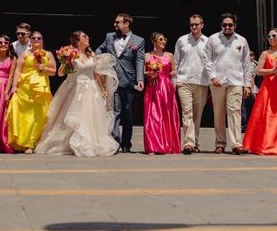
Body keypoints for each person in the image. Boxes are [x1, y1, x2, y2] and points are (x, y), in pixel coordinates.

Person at [36, 30, 119, 156]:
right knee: (72, 116)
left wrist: (102, 89)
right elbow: (60, 73)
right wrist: (66, 60)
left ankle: (87, 143)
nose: (88, 37)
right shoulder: (71, 54)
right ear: (77, 40)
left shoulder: (92, 55)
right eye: (84, 36)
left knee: (89, 116)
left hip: (91, 89)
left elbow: (96, 74)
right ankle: (68, 143)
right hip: (74, 88)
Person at [201, 13, 251, 155]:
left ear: (235, 25)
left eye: (230, 25)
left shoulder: (241, 40)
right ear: (221, 25)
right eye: (224, 25)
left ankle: (236, 144)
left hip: (236, 81)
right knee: (219, 113)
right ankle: (220, 143)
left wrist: (247, 85)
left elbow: (246, 64)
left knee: (235, 113)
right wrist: (212, 77)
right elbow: (206, 60)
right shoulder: (213, 39)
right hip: (218, 82)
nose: (227, 27)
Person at [96, 13, 145, 153]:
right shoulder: (109, 36)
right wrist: (95, 56)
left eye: (118, 22)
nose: (115, 25)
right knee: (115, 111)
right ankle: (115, 142)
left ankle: (126, 143)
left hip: (129, 80)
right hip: (112, 79)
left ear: (126, 24)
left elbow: (140, 60)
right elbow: (101, 48)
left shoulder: (138, 40)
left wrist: (140, 79)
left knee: (128, 114)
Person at [6, 30, 56, 153]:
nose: (36, 40)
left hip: (41, 89)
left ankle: (33, 143)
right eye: (33, 38)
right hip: (25, 89)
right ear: (31, 40)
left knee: (39, 117)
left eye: (39, 38)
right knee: (25, 117)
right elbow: (18, 70)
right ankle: (23, 143)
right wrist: (14, 86)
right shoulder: (24, 54)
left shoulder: (48, 54)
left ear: (42, 40)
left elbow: (53, 71)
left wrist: (43, 68)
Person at [174, 14, 208, 154]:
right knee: (187, 112)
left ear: (202, 25)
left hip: (201, 82)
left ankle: (195, 142)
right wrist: (175, 81)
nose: (194, 27)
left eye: (196, 24)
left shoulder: (208, 41)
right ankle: (188, 143)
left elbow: (211, 63)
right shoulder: (182, 40)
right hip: (184, 81)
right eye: (192, 25)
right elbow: (175, 62)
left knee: (197, 115)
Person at [143, 32, 180, 155]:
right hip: (153, 87)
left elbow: (173, 70)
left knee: (166, 115)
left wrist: (173, 73)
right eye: (160, 40)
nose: (163, 42)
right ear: (154, 42)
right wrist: (149, 73)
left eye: (164, 39)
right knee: (152, 116)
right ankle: (153, 146)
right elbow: (143, 71)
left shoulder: (169, 55)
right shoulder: (147, 56)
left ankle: (168, 145)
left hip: (166, 87)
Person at [241, 50, 259, 133]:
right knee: (250, 108)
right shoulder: (256, 64)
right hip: (253, 89)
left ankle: (244, 126)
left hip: (249, 89)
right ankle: (251, 125)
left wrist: (250, 90)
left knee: (244, 108)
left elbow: (251, 78)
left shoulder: (251, 65)